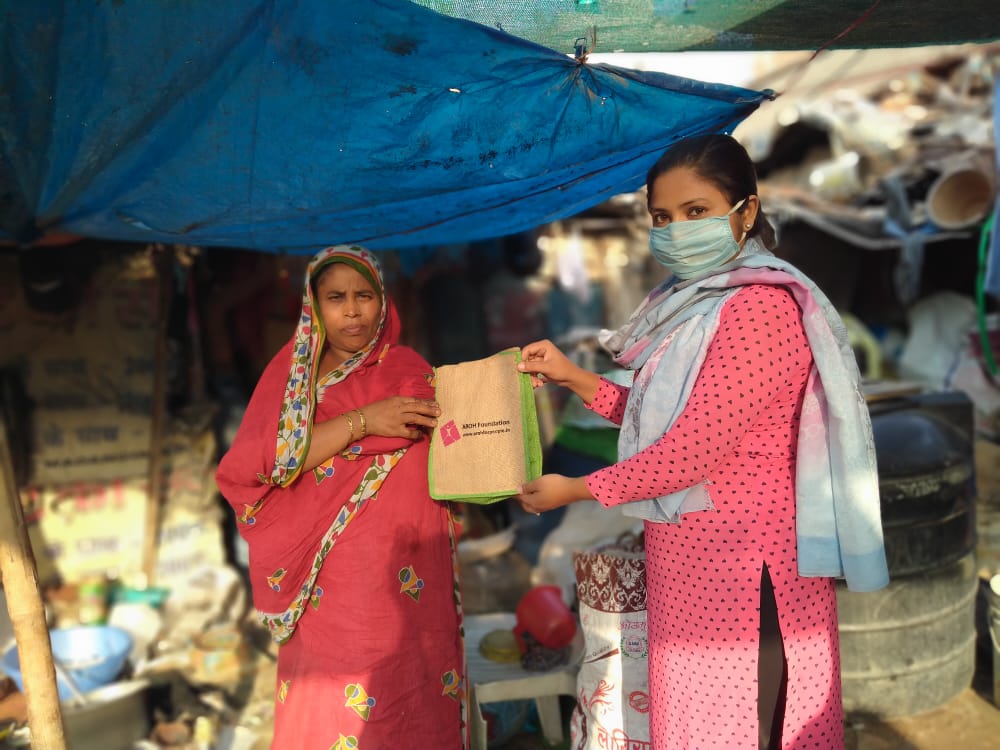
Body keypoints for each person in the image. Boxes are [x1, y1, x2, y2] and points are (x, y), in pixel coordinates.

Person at [514, 134, 888, 750]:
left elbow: (691, 450)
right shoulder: (692, 306)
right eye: (662, 217)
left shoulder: (757, 309)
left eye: (696, 212)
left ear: (745, 210)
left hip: (748, 571)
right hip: (692, 562)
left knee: (751, 726)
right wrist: (577, 379)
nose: (676, 230)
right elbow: (668, 425)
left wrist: (577, 490)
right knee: (702, 726)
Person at [216, 245, 467, 750]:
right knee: (336, 704)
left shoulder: (410, 368)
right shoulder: (293, 380)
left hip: (411, 570)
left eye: (364, 296)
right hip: (331, 579)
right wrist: (365, 422)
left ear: (383, 302)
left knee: (412, 687)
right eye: (336, 298)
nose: (352, 311)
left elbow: (454, 446)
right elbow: (265, 464)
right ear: (313, 305)